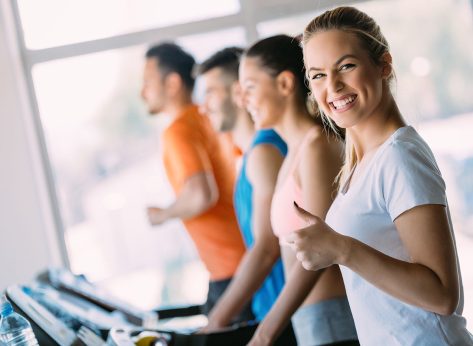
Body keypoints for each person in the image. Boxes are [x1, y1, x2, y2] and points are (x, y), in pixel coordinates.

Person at [287, 6, 473, 345]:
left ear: (383, 65)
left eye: (346, 66)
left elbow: (443, 295)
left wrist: (342, 249)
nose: (333, 86)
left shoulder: (399, 156)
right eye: (318, 75)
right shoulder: (360, 162)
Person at [239, 35, 358, 346]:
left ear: (284, 84)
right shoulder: (294, 150)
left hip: (334, 321)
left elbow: (319, 248)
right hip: (311, 322)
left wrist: (265, 334)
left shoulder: (317, 146)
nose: (243, 100)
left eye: (250, 87)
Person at [141, 43, 252, 322]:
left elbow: (202, 195)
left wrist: (162, 215)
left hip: (230, 269)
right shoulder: (208, 117)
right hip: (244, 258)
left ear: (173, 83)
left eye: (147, 83)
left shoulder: (178, 131)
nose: (143, 92)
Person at [196, 47, 288, 330]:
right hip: (271, 317)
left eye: (211, 92)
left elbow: (266, 248)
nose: (203, 106)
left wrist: (216, 322)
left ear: (238, 92)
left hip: (287, 320)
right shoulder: (250, 158)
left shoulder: (266, 151)